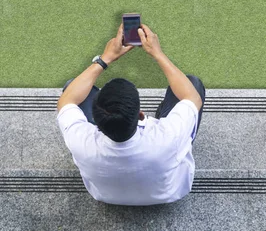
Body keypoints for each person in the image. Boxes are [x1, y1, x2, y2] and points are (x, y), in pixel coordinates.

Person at [56, 23, 205, 206]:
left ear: (94, 120)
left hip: (105, 196)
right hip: (168, 193)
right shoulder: (169, 137)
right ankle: (166, 113)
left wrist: (105, 58)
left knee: (72, 87)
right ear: (141, 115)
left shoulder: (81, 142)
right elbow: (192, 98)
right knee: (193, 84)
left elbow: (66, 101)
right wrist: (157, 53)